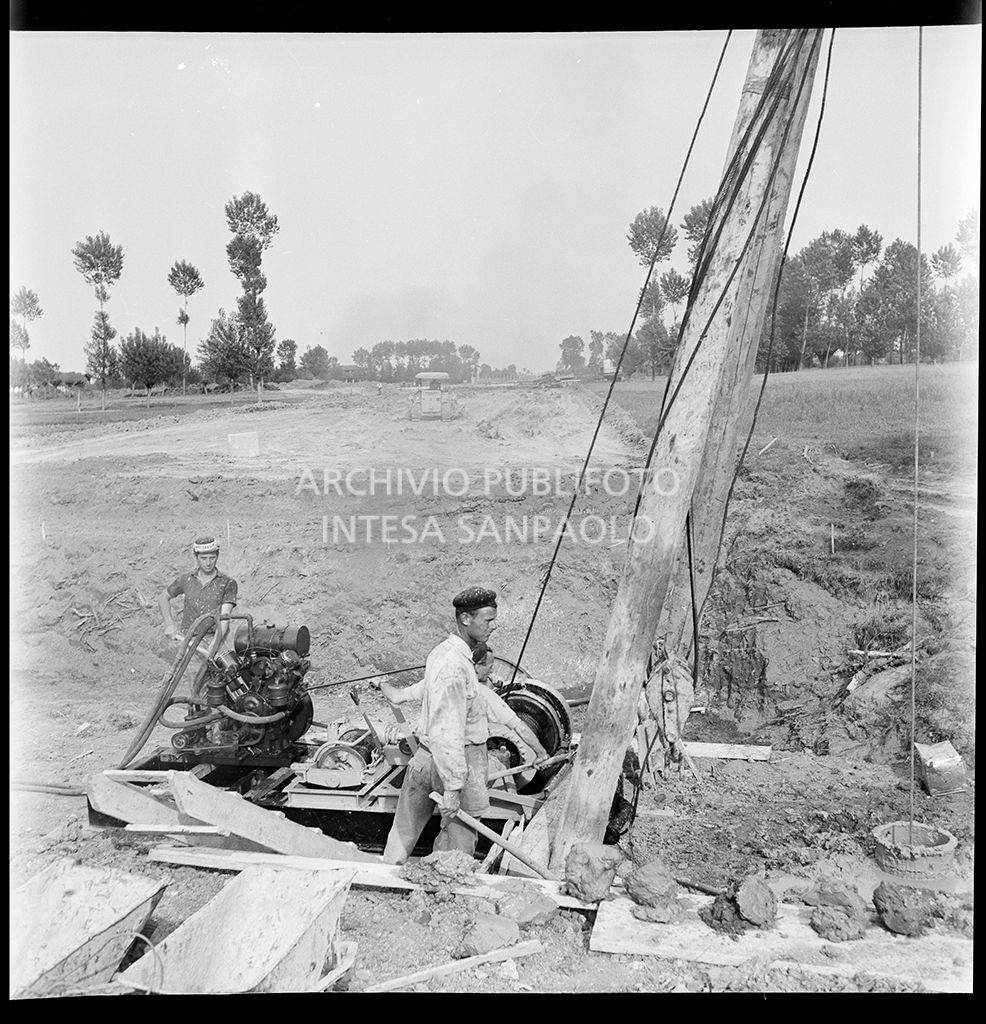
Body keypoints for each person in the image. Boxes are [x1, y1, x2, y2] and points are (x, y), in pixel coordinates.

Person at [380, 588, 548, 864]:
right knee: (457, 845)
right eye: (488, 620)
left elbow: (424, 692)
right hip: (457, 762)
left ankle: (383, 878)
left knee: (403, 832)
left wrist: (395, 693)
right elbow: (448, 732)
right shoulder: (455, 667)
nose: (493, 627)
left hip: (424, 759)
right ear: (466, 619)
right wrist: (454, 787)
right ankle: (443, 893)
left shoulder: (444, 655)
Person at [158, 536, 238, 697]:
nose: (208, 563)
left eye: (212, 558)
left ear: (217, 556)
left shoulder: (227, 583)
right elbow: (163, 597)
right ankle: (199, 720)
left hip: (217, 640)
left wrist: (214, 645)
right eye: (203, 558)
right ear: (196, 557)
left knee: (225, 687)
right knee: (197, 689)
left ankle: (222, 720)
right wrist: (169, 624)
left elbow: (224, 618)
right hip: (192, 643)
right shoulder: (186, 580)